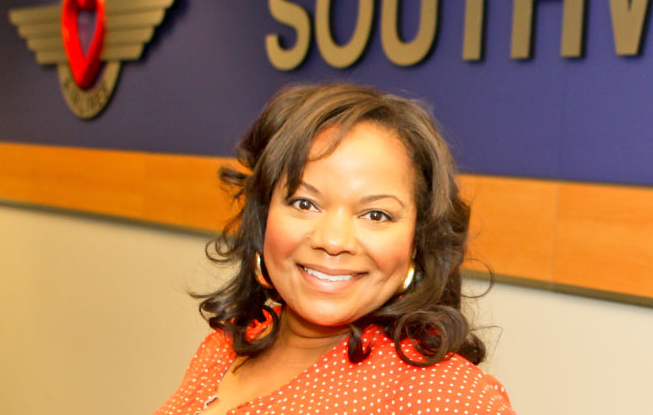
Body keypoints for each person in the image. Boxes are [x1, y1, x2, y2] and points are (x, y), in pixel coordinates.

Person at [154, 83, 514, 415]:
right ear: (263, 219)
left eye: (376, 214)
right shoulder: (227, 345)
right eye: (304, 204)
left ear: (418, 242)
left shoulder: (444, 396)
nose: (333, 240)